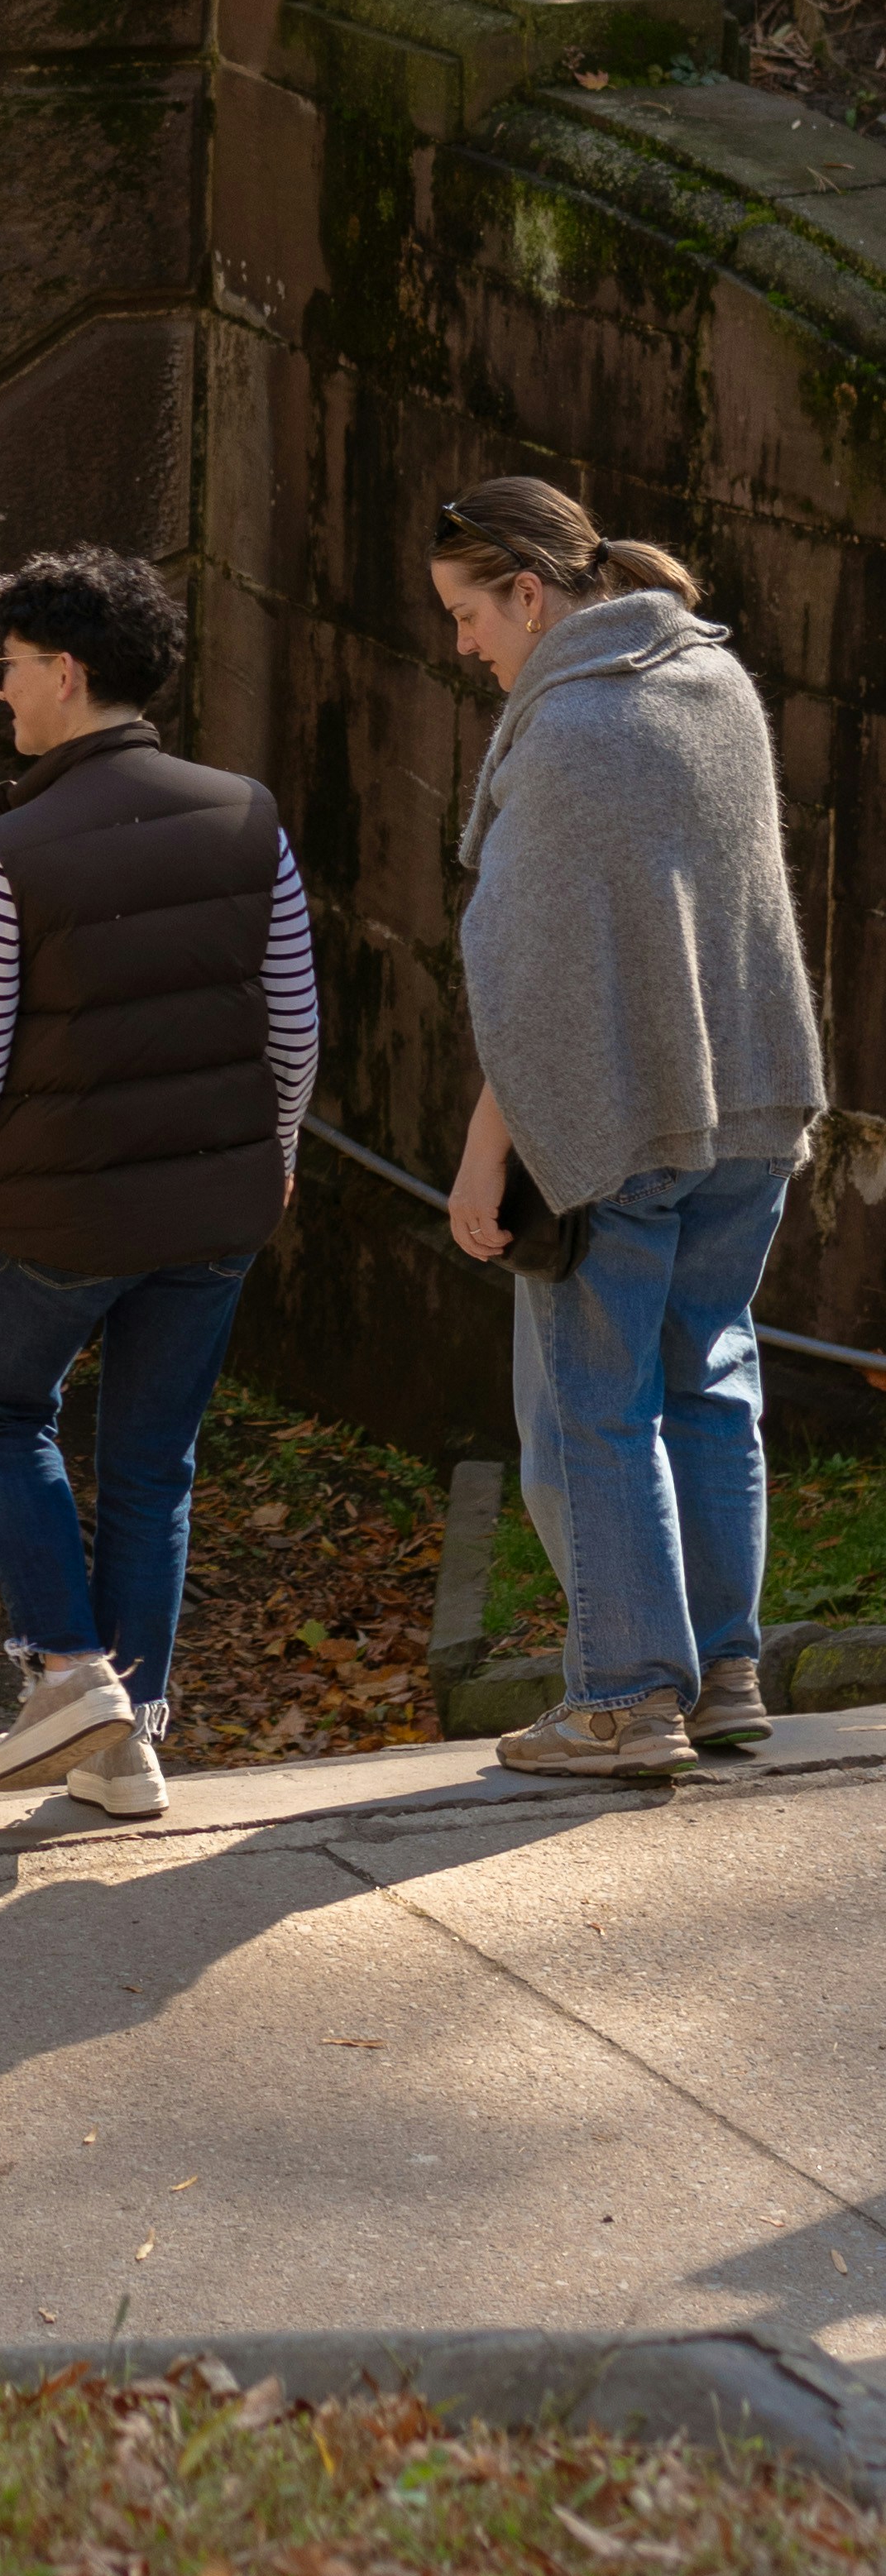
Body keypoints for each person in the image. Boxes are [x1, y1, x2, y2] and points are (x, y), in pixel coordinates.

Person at [0, 547, 316, 1828]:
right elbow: (294, 1025)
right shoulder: (248, 814)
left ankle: (68, 1674)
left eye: (4, 668)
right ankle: (127, 1745)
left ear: (65, 668)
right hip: (214, 1214)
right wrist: (270, 1162)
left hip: (56, 1221)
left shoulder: (11, 851)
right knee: (155, 1465)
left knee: (2, 1413)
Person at [429, 476, 823, 1783]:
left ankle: (619, 1704)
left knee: (599, 1409)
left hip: (624, 1118)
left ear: (529, 594)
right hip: (752, 1101)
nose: (463, 644)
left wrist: (486, 1155)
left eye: (468, 614)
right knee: (714, 1386)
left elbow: (531, 984)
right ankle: (723, 1675)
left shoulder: (570, 732)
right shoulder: (717, 685)